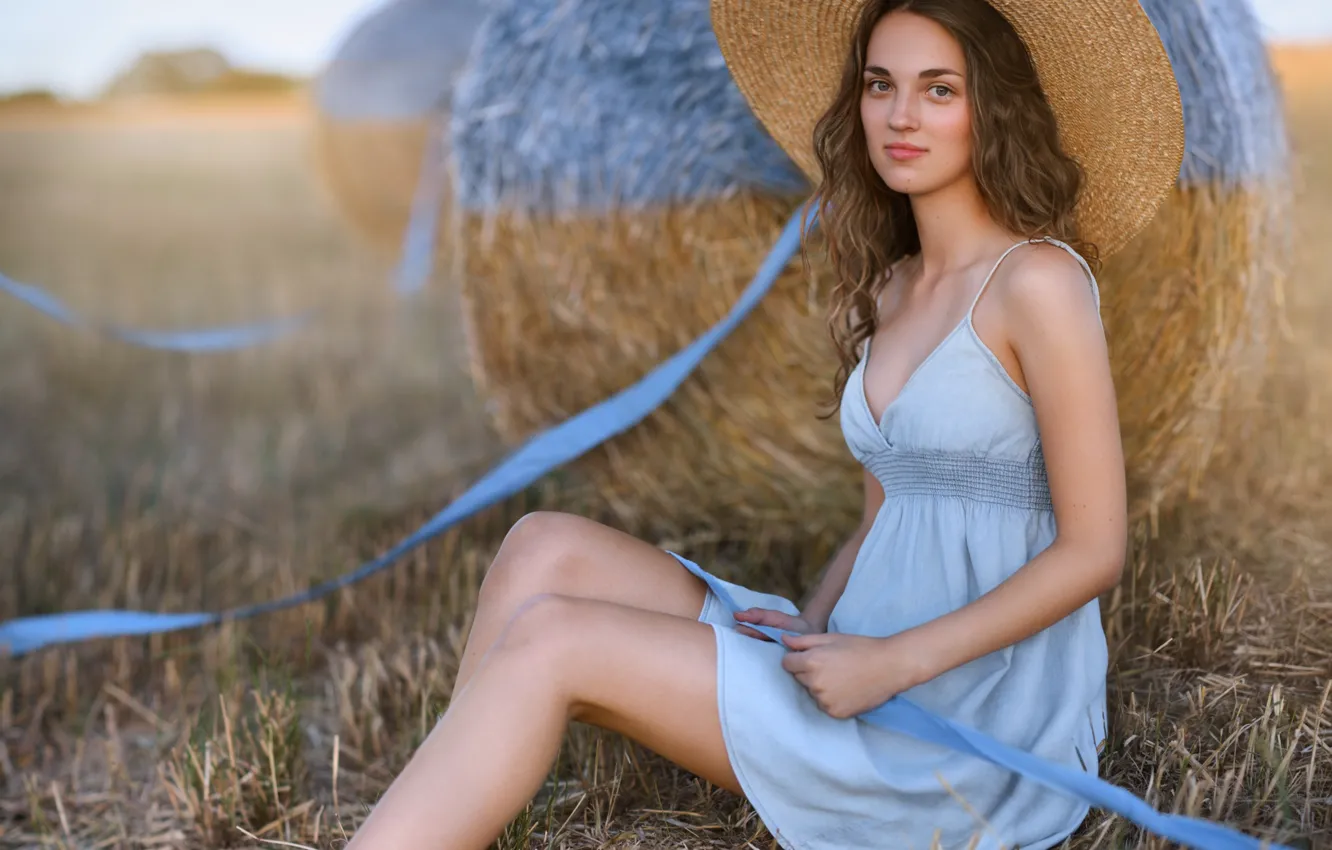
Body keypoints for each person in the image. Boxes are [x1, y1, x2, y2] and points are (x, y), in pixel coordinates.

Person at [345, 0, 1183, 847]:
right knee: (541, 545)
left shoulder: (1038, 282)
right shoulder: (893, 287)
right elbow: (883, 514)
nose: (900, 116)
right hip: (856, 657)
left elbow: (1093, 550)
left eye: (939, 90)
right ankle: (453, 792)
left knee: (554, 639)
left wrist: (891, 663)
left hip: (957, 715)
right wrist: (814, 624)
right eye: (879, 85)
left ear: (992, 108)